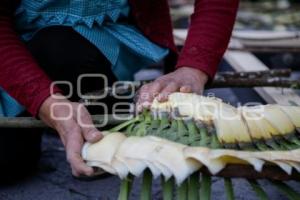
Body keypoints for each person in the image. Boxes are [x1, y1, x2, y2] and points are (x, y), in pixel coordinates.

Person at [0, 0, 238, 180]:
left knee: (61, 49)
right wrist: (43, 99)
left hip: (95, 34)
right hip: (10, 43)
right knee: (8, 165)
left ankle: (102, 108)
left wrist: (194, 68)